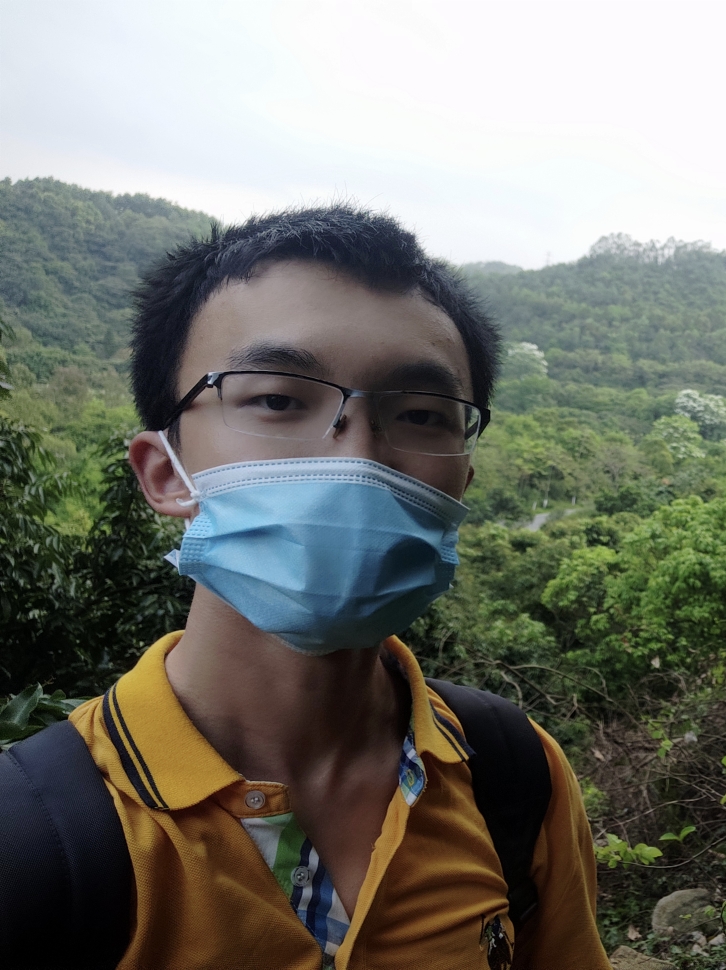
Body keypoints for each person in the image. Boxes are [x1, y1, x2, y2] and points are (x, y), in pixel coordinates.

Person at [66, 207, 612, 969]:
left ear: (462, 480)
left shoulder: (514, 775)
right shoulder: (40, 835)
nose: (358, 459)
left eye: (420, 414)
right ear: (165, 472)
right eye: (278, 400)